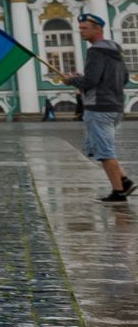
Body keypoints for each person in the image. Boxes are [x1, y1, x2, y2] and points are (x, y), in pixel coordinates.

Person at [58, 12, 133, 203]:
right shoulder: (115, 50)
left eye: (84, 28)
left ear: (97, 29)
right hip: (115, 105)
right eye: (80, 28)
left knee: (105, 151)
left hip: (98, 106)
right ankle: (124, 181)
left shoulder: (95, 51)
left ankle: (118, 192)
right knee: (96, 147)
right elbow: (124, 77)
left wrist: (71, 80)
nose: (80, 31)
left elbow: (91, 80)